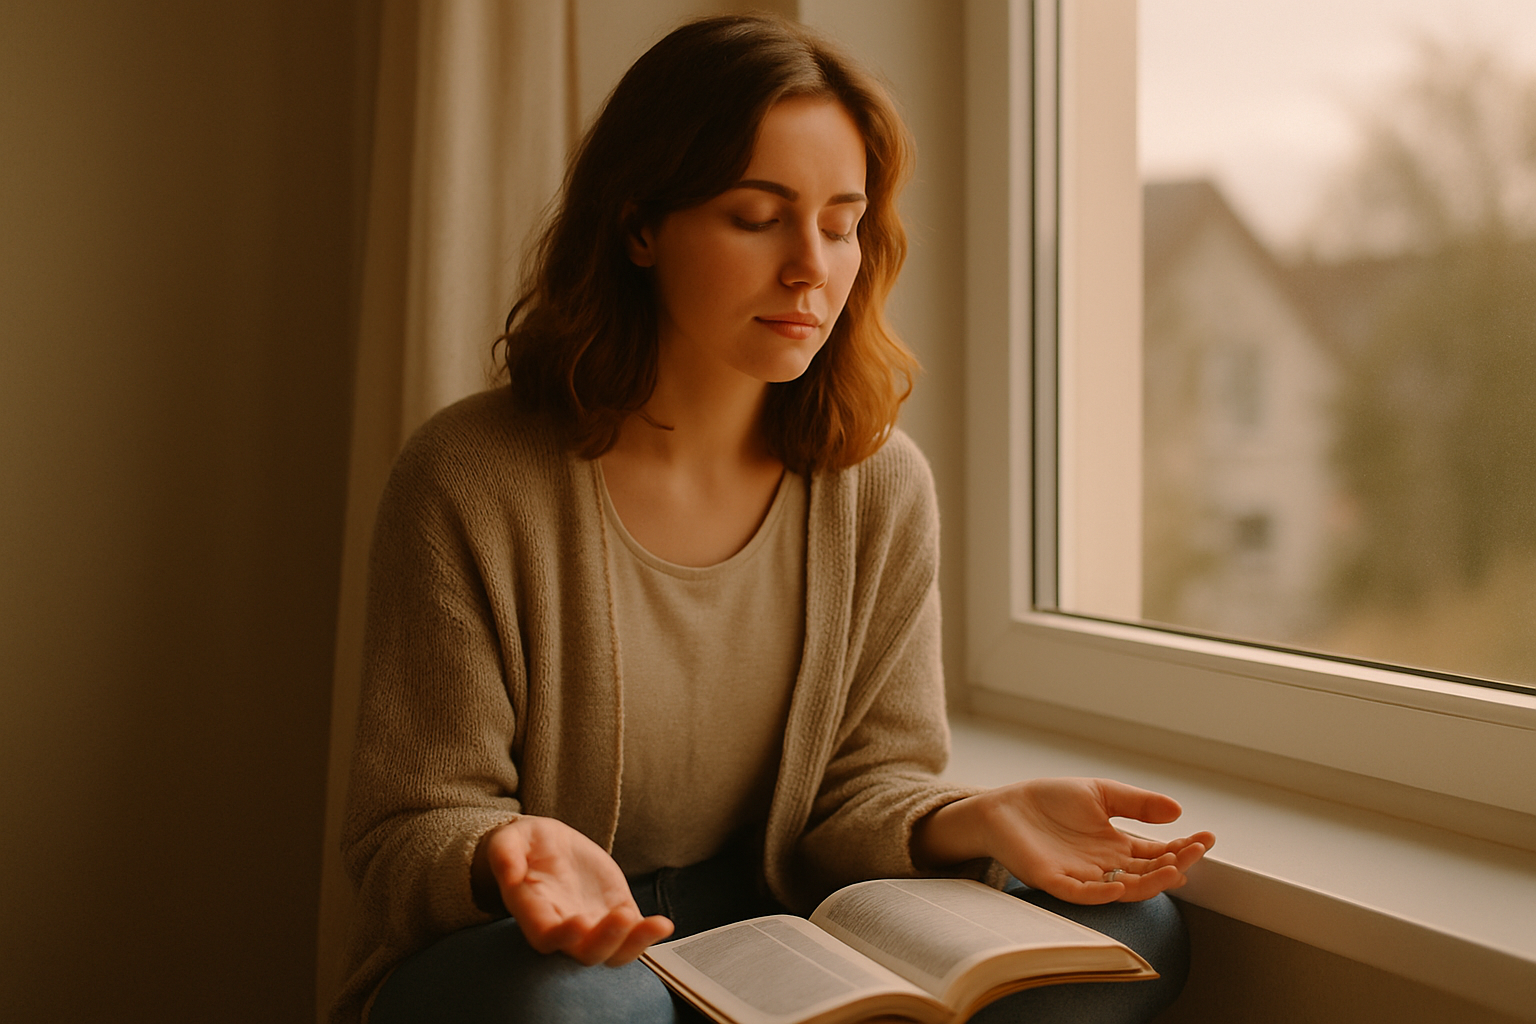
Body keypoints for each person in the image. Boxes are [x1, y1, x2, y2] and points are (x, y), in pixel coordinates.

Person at [334, 14, 1214, 1024]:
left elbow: (860, 800)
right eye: (759, 217)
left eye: (841, 224)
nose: (811, 267)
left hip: (781, 937)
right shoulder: (471, 478)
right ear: (639, 225)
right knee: (587, 1009)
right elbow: (402, 831)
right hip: (543, 966)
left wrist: (975, 816)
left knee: (1130, 935)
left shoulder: (879, 486)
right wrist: (501, 850)